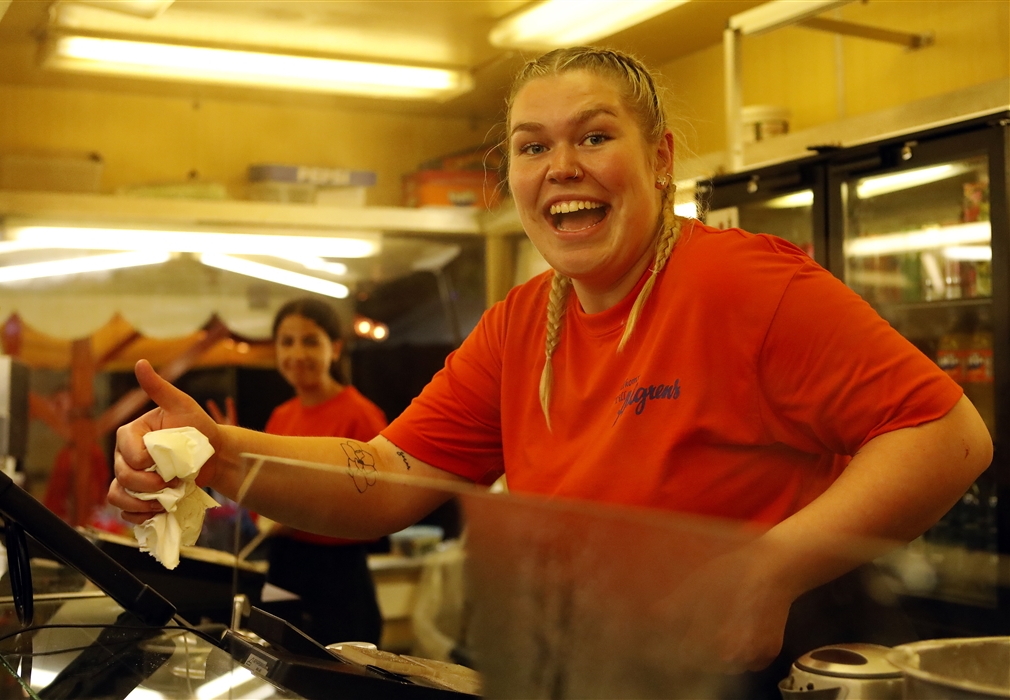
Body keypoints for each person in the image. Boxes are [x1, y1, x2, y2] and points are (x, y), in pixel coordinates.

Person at [110, 47, 992, 695]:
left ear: (660, 159)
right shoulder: (520, 324)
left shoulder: (745, 283)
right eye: (532, 147)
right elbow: (384, 475)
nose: (560, 166)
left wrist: (767, 571)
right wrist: (215, 453)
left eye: (594, 136)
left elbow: (947, 435)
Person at [207, 297, 387, 646]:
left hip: (339, 571)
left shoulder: (361, 415)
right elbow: (263, 499)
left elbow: (379, 508)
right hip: (285, 564)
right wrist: (234, 456)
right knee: (280, 664)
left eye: (310, 341)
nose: (297, 354)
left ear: (334, 349)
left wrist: (307, 510)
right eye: (286, 342)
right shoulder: (281, 417)